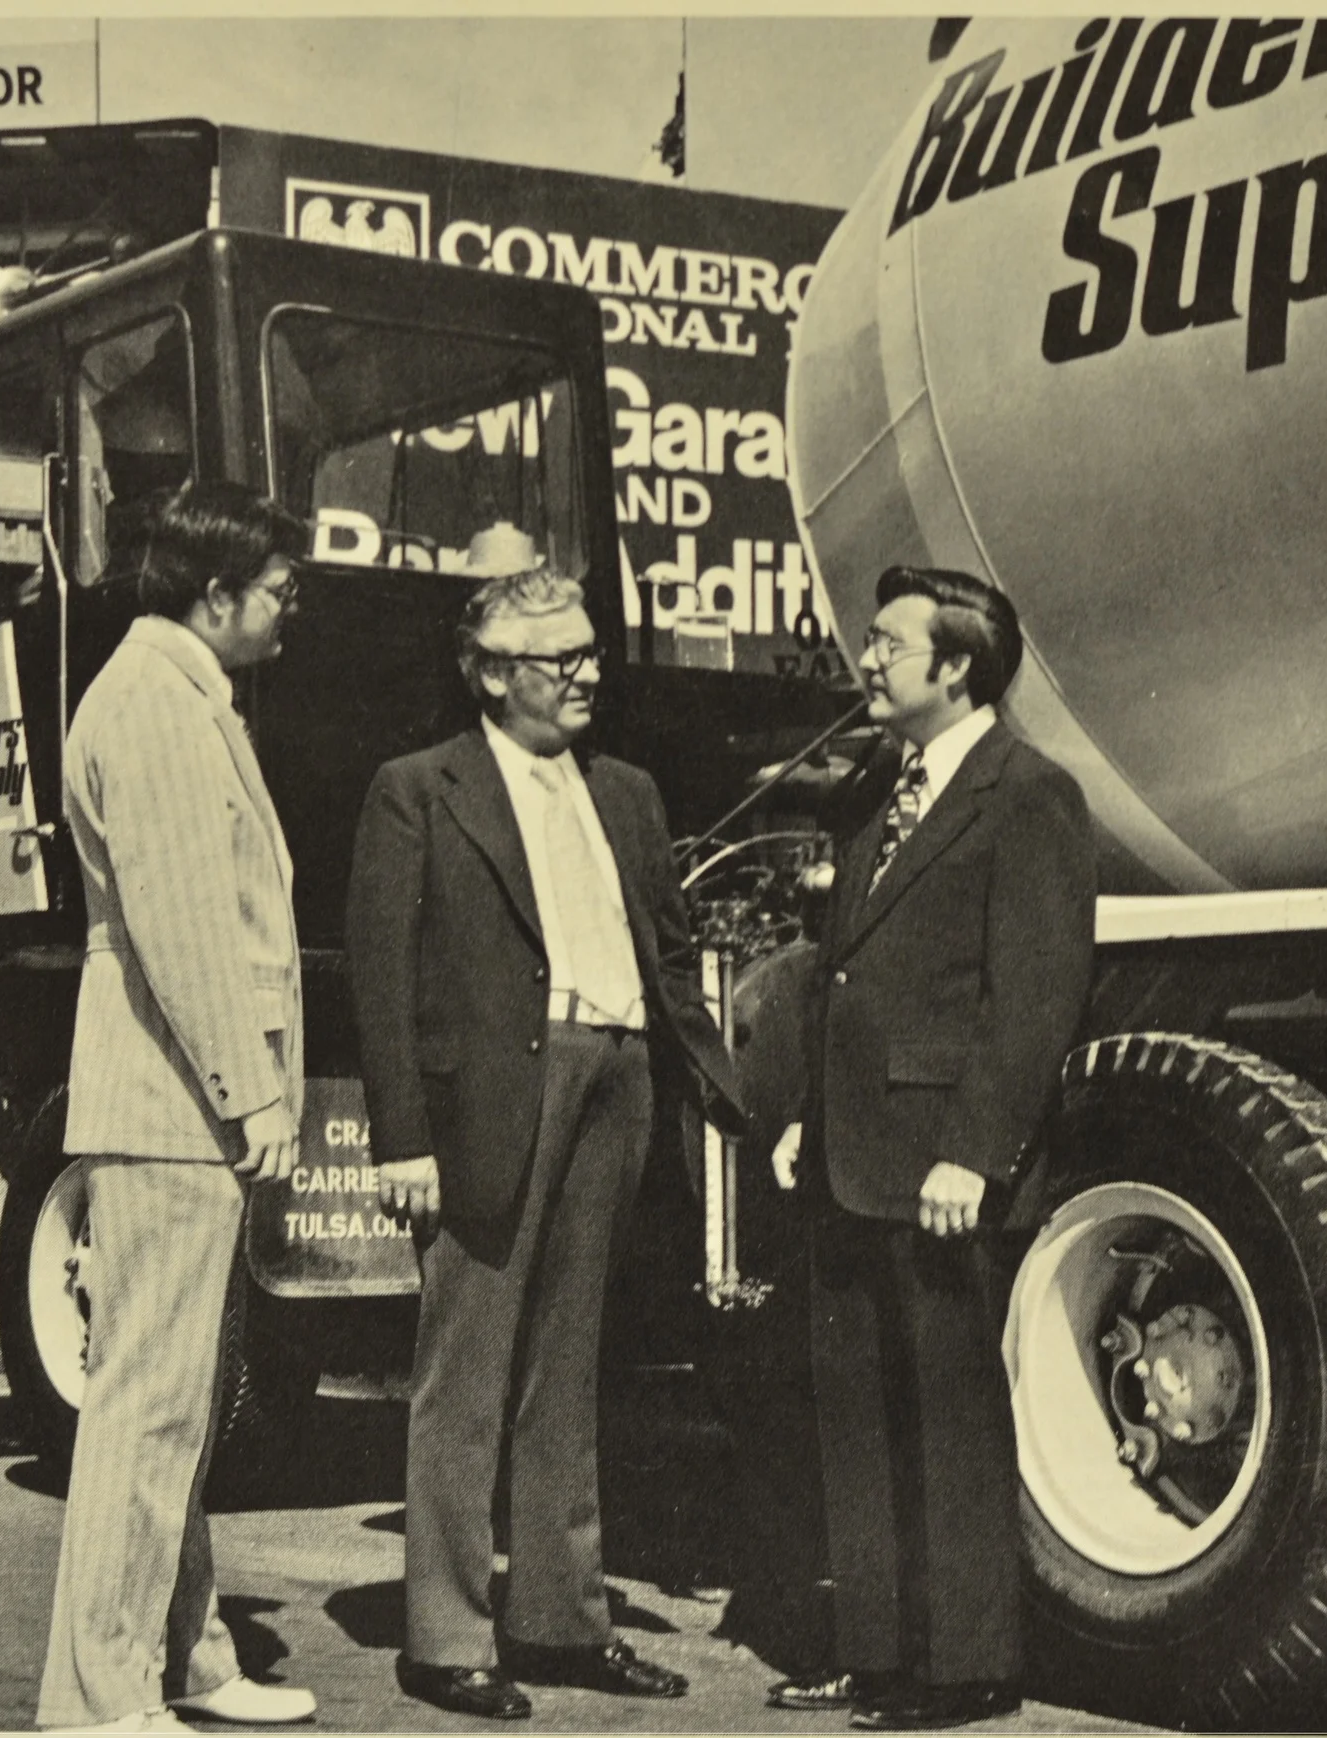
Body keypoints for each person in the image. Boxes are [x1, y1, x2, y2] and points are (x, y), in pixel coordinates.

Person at [346, 564, 750, 1721]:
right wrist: (402, 1140)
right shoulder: (417, 789)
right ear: (485, 673)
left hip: (612, 1080)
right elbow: (382, 975)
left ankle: (562, 1621)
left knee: (570, 1373)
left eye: (587, 654)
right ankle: (445, 1637)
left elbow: (667, 952)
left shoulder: (625, 790)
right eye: (554, 660)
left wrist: (720, 1090)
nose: (583, 676)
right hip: (490, 1102)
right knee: (464, 1375)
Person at [768, 565, 1099, 1732]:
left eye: (886, 642)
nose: (864, 658)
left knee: (946, 1409)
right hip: (852, 1151)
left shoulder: (1028, 795)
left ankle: (964, 1667)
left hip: (938, 1167)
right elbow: (840, 971)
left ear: (954, 666)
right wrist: (809, 1108)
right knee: (856, 1406)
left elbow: (1034, 996)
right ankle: (875, 1652)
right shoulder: (880, 792)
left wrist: (976, 1150)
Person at [35, 481, 320, 1734]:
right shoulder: (154, 705)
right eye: (275, 592)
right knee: (146, 1409)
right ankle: (97, 1700)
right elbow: (183, 921)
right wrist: (245, 1088)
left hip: (173, 1099)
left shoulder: (184, 693)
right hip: (166, 1101)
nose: (287, 611)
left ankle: (186, 1658)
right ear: (215, 596)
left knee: (180, 1408)